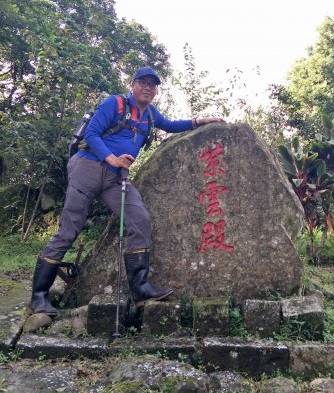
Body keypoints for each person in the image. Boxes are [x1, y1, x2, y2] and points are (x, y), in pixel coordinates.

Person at [29, 66, 225, 316]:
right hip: (87, 167)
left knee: (138, 218)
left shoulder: (150, 114)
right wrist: (112, 159)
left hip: (115, 177)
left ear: (156, 91)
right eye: (142, 82)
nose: (147, 88)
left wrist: (198, 121)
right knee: (70, 229)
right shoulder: (115, 104)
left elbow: (171, 125)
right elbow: (92, 133)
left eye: (152, 85)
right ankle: (39, 297)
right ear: (132, 85)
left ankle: (141, 289)